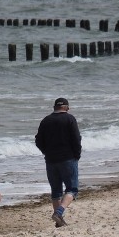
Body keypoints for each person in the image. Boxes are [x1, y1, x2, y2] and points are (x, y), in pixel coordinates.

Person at [35, 97, 82, 228]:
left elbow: (38, 140)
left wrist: (46, 152)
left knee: (56, 191)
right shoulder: (69, 119)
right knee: (72, 189)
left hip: (50, 160)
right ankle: (59, 212)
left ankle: (59, 221)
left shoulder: (46, 120)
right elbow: (76, 139)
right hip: (68, 158)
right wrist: (77, 155)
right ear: (66, 107)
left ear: (54, 107)